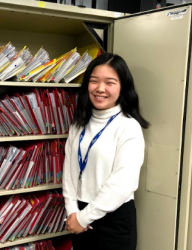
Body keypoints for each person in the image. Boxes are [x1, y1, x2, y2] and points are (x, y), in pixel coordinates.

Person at [62, 53, 149, 250]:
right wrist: (72, 211)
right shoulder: (79, 124)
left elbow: (122, 183)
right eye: (94, 81)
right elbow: (69, 172)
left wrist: (84, 218)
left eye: (110, 82)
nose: (100, 88)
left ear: (122, 87)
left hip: (114, 219)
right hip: (79, 213)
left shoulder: (128, 126)